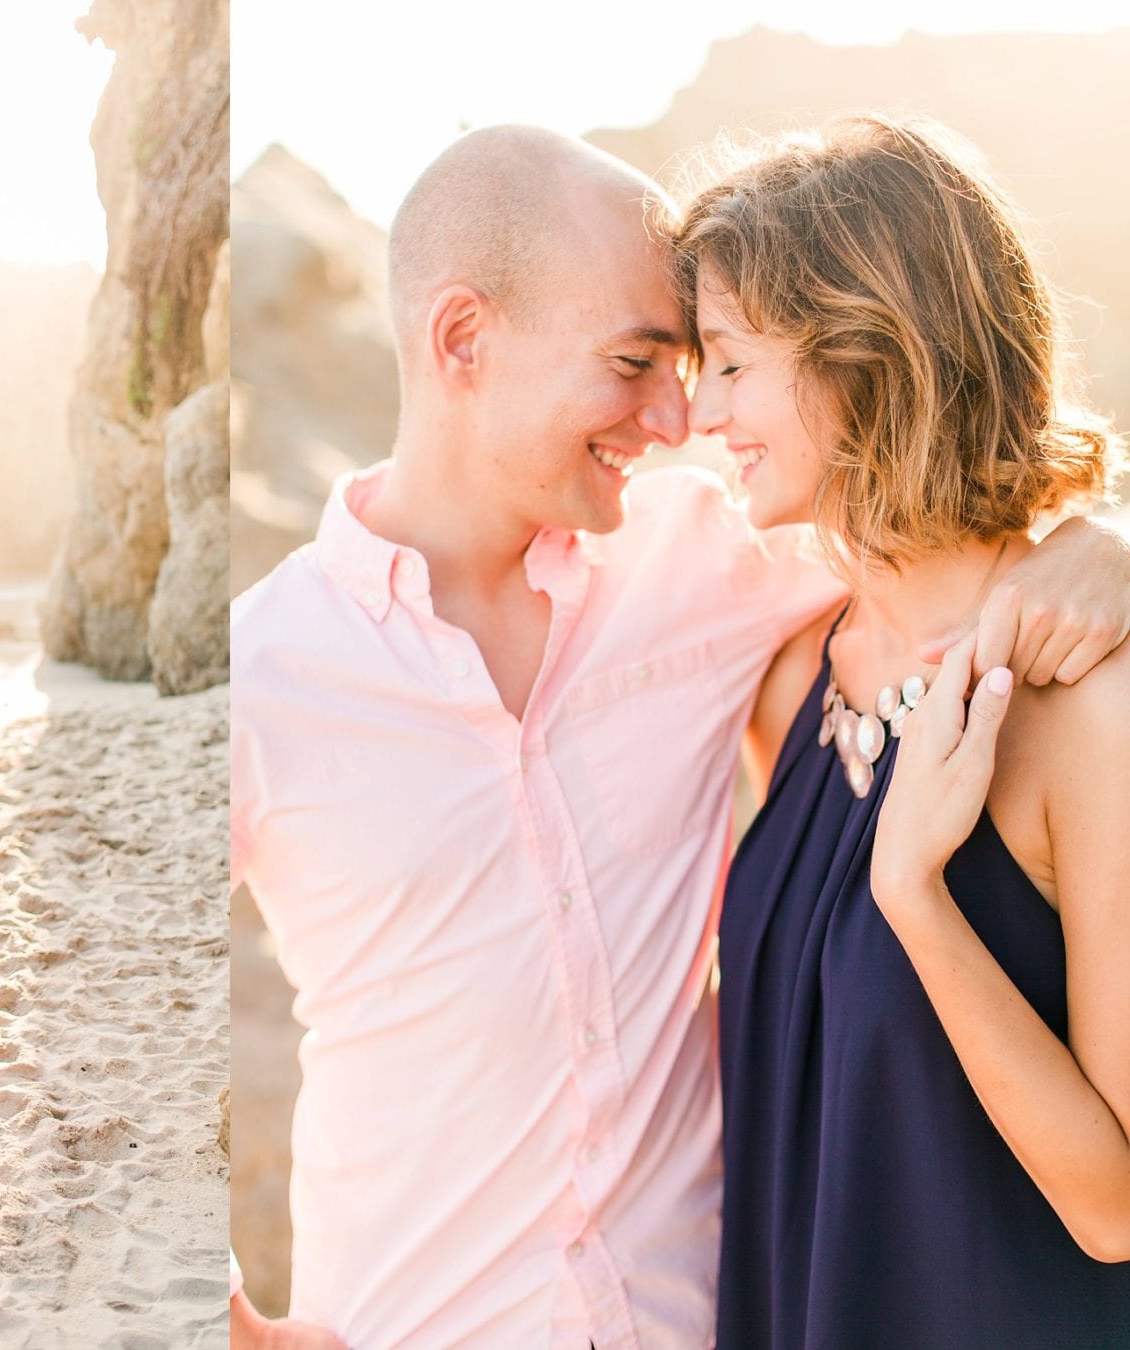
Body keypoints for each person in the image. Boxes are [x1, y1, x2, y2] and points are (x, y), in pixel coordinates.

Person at [228, 125, 1130, 1348]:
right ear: (461, 341)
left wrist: (1103, 548)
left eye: (706, 363)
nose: (681, 418)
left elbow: (952, 530)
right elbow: (101, 968)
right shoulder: (267, 673)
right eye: (637, 360)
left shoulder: (712, 563)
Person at [680, 116, 1130, 1347]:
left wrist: (915, 901)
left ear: (862, 352)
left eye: (727, 361)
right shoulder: (792, 680)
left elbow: (1118, 1208)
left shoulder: (1089, 708)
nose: (701, 414)